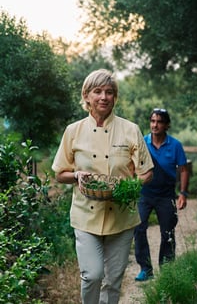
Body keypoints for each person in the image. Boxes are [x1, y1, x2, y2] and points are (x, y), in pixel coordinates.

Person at [52, 69, 154, 304]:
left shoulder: (131, 130)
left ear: (115, 97)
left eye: (109, 92)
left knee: (113, 281)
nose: (103, 97)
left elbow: (146, 172)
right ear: (86, 96)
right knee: (92, 275)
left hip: (122, 218)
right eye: (97, 91)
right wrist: (77, 174)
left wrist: (126, 187)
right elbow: (60, 174)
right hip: (85, 216)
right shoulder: (73, 131)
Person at [134, 108, 189, 281]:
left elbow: (183, 170)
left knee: (168, 233)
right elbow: (132, 165)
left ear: (166, 125)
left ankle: (166, 271)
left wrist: (183, 193)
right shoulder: (142, 142)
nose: (155, 125)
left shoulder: (175, 145)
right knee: (138, 228)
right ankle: (146, 269)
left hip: (166, 195)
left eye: (159, 121)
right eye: (152, 121)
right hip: (145, 193)